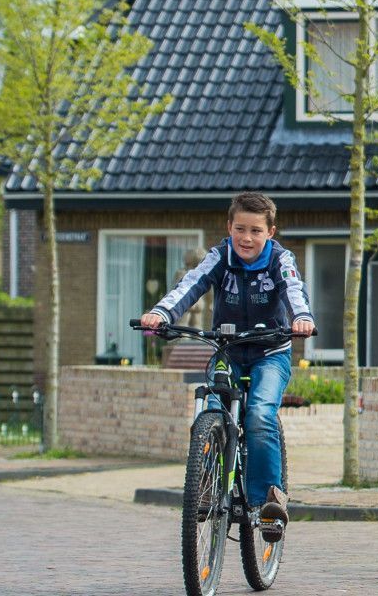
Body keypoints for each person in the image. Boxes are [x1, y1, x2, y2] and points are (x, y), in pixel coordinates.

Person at [139, 192, 315, 541]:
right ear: (228, 227)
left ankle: (269, 499)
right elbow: (190, 284)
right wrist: (161, 313)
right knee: (210, 408)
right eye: (240, 229)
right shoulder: (220, 256)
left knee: (261, 414)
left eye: (256, 231)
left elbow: (294, 289)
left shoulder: (281, 259)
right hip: (228, 350)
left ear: (270, 232)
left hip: (269, 352)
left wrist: (302, 318)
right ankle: (205, 484)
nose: (247, 238)